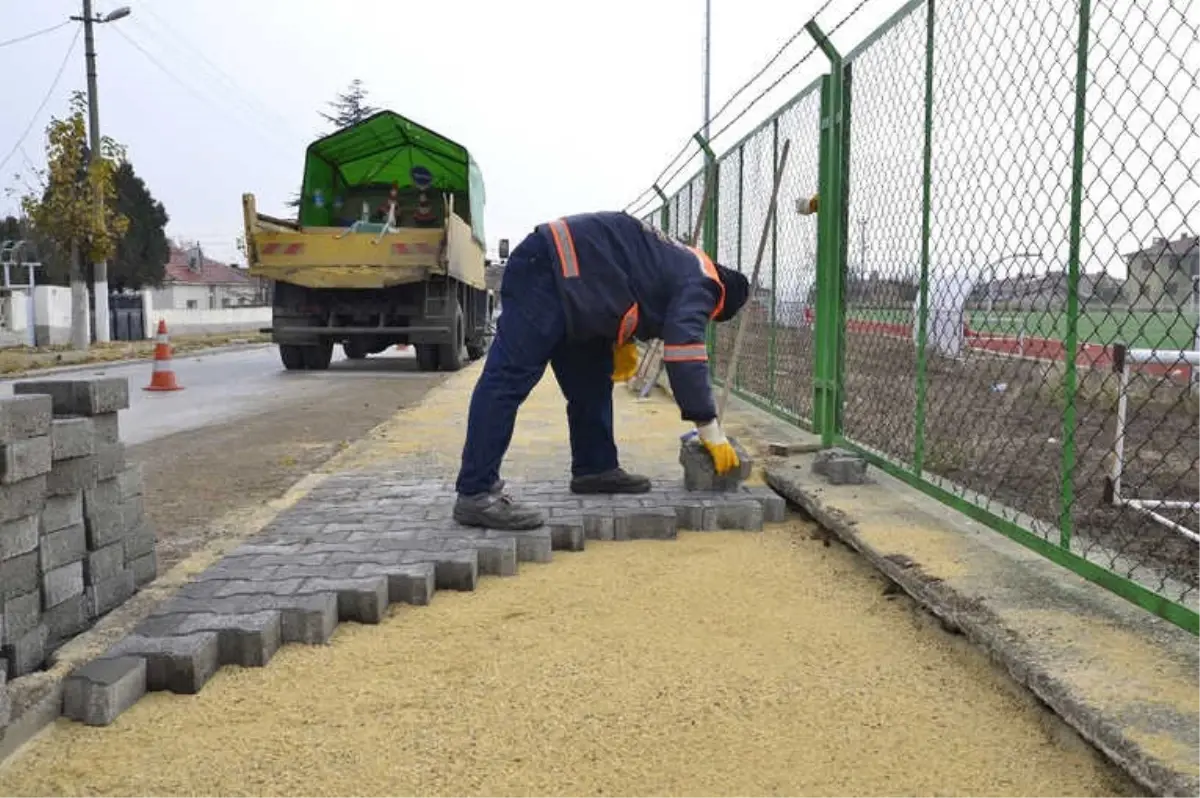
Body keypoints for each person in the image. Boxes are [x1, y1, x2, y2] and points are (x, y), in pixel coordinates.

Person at [453, 210, 751, 530]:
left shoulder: (683, 260)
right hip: (548, 270)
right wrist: (709, 429)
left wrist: (620, 334)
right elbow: (685, 353)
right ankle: (476, 492)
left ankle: (595, 468)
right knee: (507, 379)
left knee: (592, 380)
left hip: (574, 283)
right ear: (722, 303)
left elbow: (632, 278)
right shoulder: (706, 283)